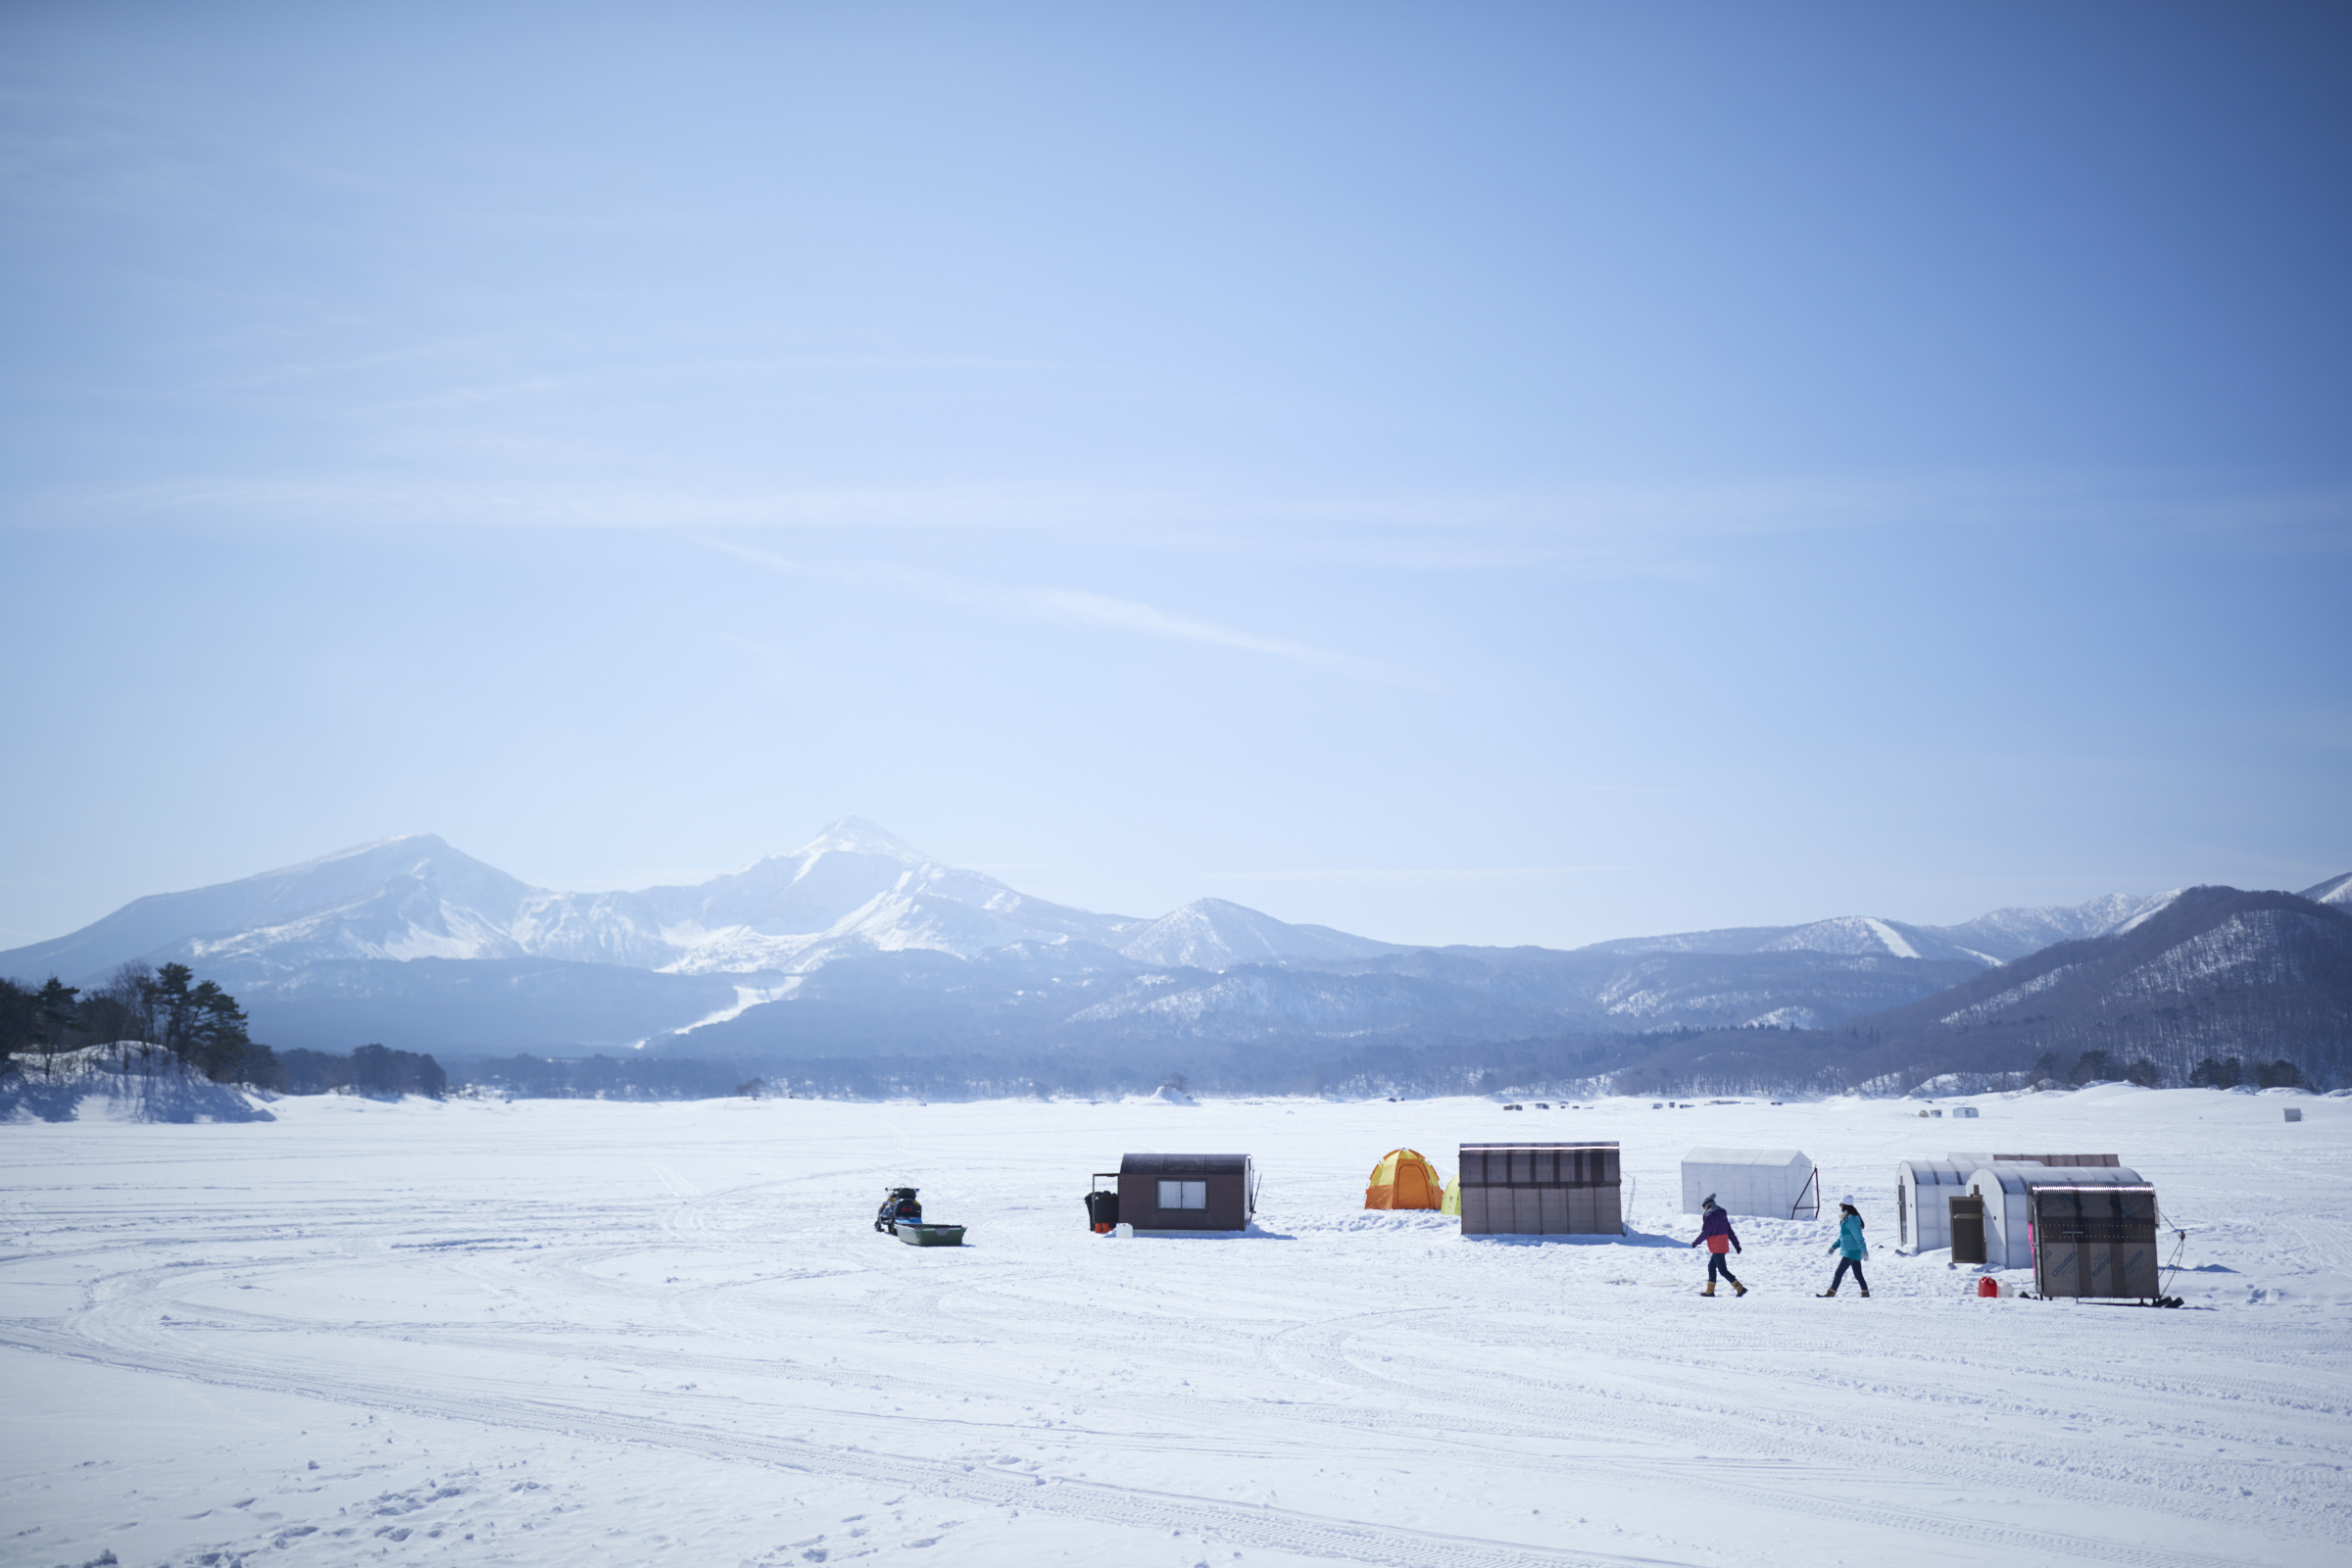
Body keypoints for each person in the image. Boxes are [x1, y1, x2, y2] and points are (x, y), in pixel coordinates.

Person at [1689, 1194, 1746, 1297]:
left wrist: (1695, 1243)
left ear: (1708, 1205)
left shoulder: (1710, 1216)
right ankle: (1710, 1291)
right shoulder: (1721, 1215)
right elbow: (1730, 1231)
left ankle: (1739, 1288)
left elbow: (1705, 1233)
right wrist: (1736, 1245)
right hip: (1721, 1244)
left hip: (1717, 1245)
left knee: (1722, 1270)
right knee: (1711, 1266)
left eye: (1704, 1206)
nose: (1704, 1209)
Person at [1819, 1196, 1869, 1298]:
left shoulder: (1851, 1219)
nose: (1840, 1206)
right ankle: (1865, 1293)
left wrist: (1864, 1250)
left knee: (1839, 1273)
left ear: (1845, 1205)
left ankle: (1830, 1294)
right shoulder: (1848, 1217)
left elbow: (1858, 1236)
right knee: (1858, 1275)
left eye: (1840, 1204)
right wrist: (1834, 1246)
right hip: (1853, 1250)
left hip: (1850, 1251)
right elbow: (1844, 1236)